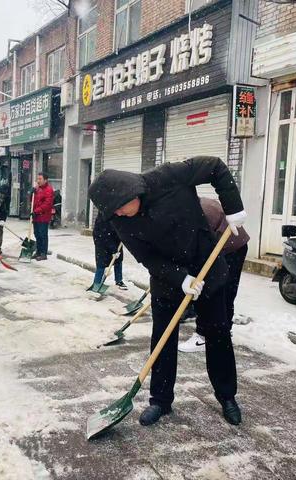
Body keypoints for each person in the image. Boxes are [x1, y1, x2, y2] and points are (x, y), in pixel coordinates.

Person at [89, 156, 247, 427]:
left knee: (218, 333)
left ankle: (227, 396)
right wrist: (181, 278)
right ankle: (160, 401)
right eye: (112, 212)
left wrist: (233, 208)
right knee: (162, 338)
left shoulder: (168, 177)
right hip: (167, 281)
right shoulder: (120, 221)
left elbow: (215, 166)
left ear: (131, 193)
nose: (118, 214)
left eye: (119, 208)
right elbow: (147, 257)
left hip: (207, 266)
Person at [178, 197, 249, 352]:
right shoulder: (192, 206)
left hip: (232, 248)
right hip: (225, 245)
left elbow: (201, 246)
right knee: (217, 291)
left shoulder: (199, 212)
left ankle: (204, 336)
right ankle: (221, 330)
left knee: (216, 291)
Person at [92, 213, 127, 290]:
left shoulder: (118, 214)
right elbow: (105, 235)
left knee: (118, 260)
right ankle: (97, 283)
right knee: (101, 264)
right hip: (102, 243)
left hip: (115, 241)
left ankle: (119, 280)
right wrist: (114, 250)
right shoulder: (104, 217)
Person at [32, 173, 54, 261]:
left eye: (40, 179)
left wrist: (36, 211)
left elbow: (47, 204)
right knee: (36, 234)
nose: (38, 181)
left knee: (43, 235)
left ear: (45, 180)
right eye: (37, 179)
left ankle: (43, 253)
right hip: (36, 216)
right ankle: (38, 251)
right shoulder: (37, 189)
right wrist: (31, 193)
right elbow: (34, 201)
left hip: (43, 216)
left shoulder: (49, 190)